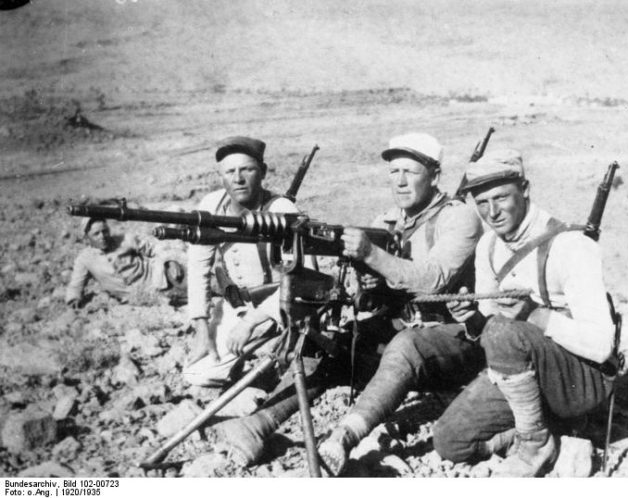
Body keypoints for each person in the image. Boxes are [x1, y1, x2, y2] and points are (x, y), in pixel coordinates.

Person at [431, 149, 617, 477]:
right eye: (482, 203)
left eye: (501, 198)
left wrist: (533, 314)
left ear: (526, 189)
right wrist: (469, 317)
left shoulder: (571, 246)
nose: (492, 212)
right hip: (522, 374)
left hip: (581, 379)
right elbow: (489, 328)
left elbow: (603, 346)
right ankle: (547, 432)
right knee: (450, 442)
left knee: (506, 331)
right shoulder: (488, 247)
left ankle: (534, 441)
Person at [317, 132, 483, 475]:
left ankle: (344, 437)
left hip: (456, 338)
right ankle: (257, 424)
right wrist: (363, 281)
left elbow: (432, 279)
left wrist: (370, 254)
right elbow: (376, 292)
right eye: (394, 172)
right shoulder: (388, 220)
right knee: (336, 342)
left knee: (406, 345)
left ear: (435, 176)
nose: (401, 181)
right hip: (403, 329)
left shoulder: (458, 217)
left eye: (411, 171)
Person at [184, 136, 300, 388]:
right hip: (234, 304)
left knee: (211, 372)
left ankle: (265, 369)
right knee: (194, 373)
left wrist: (251, 321)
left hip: (274, 309)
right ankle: (252, 373)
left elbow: (301, 279)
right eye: (230, 171)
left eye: (247, 169)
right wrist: (201, 326)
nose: (237, 179)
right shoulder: (212, 205)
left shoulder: (282, 209)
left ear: (263, 172)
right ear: (220, 175)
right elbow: (197, 269)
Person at [65, 217, 185, 308]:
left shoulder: (125, 239)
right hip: (134, 298)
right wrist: (73, 298)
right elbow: (76, 283)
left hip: (159, 279)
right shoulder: (84, 259)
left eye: (105, 231)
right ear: (87, 237)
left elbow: (154, 249)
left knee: (189, 289)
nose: (102, 236)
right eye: (96, 234)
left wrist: (170, 260)